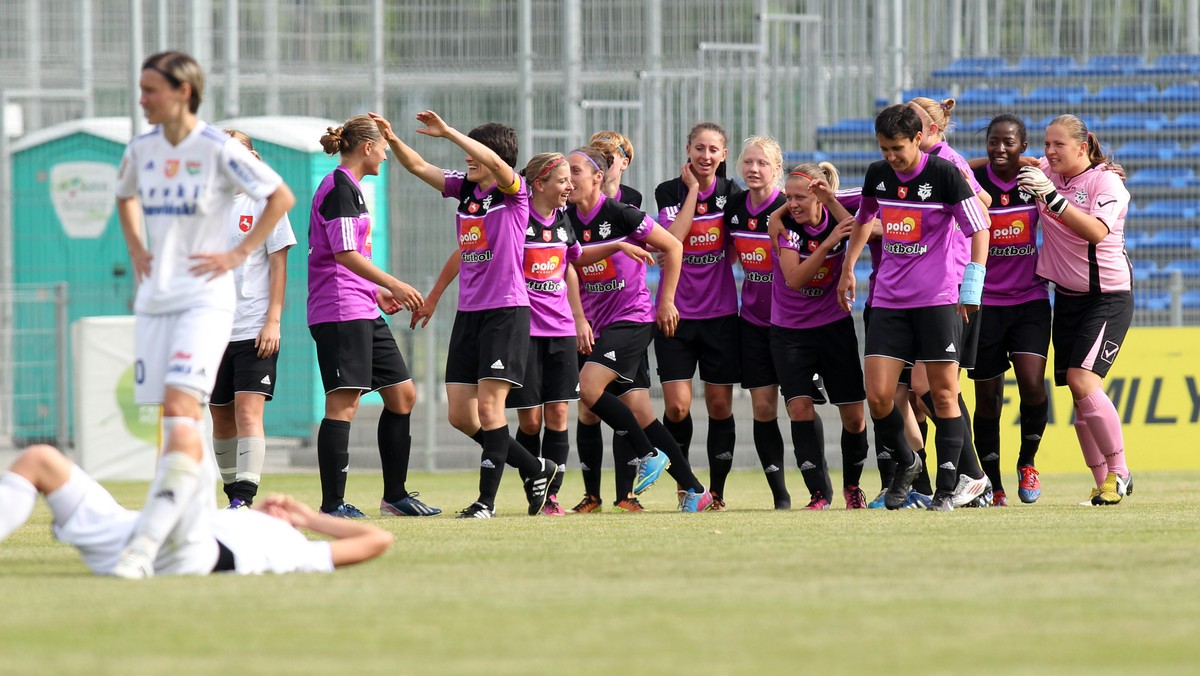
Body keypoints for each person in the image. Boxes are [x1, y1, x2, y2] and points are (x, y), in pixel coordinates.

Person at [115, 50, 295, 554]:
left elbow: (280, 197)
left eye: (151, 89)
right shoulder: (142, 148)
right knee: (177, 412)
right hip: (156, 302)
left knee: (188, 405)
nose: (142, 99)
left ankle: (160, 533)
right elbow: (125, 194)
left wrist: (238, 251)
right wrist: (137, 248)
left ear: (183, 92)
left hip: (208, 306)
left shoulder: (216, 148)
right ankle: (193, 513)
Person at [373, 111, 558, 518]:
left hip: (505, 312)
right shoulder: (467, 192)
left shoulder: (516, 192)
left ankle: (485, 503)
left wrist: (450, 133)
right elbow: (419, 166)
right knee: (460, 414)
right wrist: (393, 138)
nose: (467, 160)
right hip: (470, 313)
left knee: (491, 408)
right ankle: (535, 467)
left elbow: (494, 165)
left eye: (475, 153)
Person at [411, 152, 583, 516]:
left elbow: (570, 265)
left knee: (546, 413)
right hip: (499, 319)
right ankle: (535, 467)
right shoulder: (500, 206)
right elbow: (465, 251)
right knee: (475, 415)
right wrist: (435, 297)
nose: (571, 186)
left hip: (532, 323)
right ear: (540, 183)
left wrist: (580, 316)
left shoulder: (547, 214)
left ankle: (494, 502)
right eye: (563, 179)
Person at [838, 104, 991, 511]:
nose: (890, 157)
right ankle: (907, 463)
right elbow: (862, 221)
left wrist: (972, 285)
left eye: (897, 148)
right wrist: (848, 268)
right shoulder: (878, 174)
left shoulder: (944, 174)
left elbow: (981, 226)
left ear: (918, 138)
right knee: (879, 396)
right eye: (884, 148)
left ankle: (946, 485)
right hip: (888, 300)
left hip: (937, 300)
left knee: (941, 395)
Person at [0, 429, 392, 578]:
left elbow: (377, 540)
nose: (278, 504)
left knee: (187, 438)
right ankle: (139, 547)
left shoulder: (295, 549)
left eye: (284, 509)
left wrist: (307, 517)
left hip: (190, 552)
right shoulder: (232, 516)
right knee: (40, 459)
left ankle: (142, 550)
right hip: (125, 531)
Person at [567, 145, 714, 512]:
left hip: (631, 320)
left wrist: (666, 301)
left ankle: (648, 455)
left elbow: (673, 246)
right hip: (598, 326)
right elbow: (571, 262)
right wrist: (580, 318)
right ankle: (696, 490)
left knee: (588, 387)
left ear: (598, 178)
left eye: (576, 171)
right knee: (641, 413)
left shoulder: (622, 213)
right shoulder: (567, 218)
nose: (569, 179)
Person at [307, 114, 440, 519]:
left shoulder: (354, 189)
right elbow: (344, 255)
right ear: (367, 147)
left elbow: (349, 255)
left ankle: (395, 496)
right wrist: (395, 284)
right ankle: (333, 506)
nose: (386, 154)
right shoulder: (340, 188)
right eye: (383, 147)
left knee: (402, 395)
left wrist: (377, 290)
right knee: (344, 403)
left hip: (360, 304)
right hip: (339, 309)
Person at [1016, 115, 1134, 506]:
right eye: (1046, 144)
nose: (1049, 151)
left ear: (1082, 147)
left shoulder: (1106, 182)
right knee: (1077, 393)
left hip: (1108, 297)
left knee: (1084, 382)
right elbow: (1007, 160)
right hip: (1066, 297)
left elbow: (1096, 231)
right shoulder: (1048, 171)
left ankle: (1120, 474)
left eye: (1058, 144)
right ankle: (1103, 484)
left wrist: (1052, 197)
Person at [905, 96, 993, 508]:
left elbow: (984, 207)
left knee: (933, 387)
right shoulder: (919, 165)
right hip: (930, 289)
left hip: (951, 286)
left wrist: (970, 281)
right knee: (936, 388)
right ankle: (973, 478)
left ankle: (971, 475)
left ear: (933, 130)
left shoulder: (946, 162)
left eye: (915, 122)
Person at [767, 162, 870, 510]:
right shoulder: (784, 229)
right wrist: (827, 244)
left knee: (854, 416)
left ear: (820, 196)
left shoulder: (839, 215)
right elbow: (795, 279)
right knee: (799, 408)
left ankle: (852, 487)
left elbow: (860, 226)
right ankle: (818, 494)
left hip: (834, 327)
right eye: (788, 198)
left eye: (801, 197)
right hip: (790, 331)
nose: (793, 204)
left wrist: (830, 204)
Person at [653, 122, 744, 506]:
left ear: (723, 155)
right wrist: (692, 191)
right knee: (676, 405)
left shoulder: (733, 193)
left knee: (720, 405)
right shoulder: (668, 191)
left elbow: (738, 245)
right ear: (688, 150)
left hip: (721, 316)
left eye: (713, 150)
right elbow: (673, 240)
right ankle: (686, 485)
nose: (705, 156)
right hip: (675, 313)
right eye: (699, 148)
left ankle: (718, 491)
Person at [209, 129, 297, 510]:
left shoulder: (266, 204)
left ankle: (244, 499)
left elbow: (279, 265)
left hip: (252, 327)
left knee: (248, 411)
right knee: (221, 419)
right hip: (211, 331)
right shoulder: (204, 206)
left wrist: (272, 320)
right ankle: (232, 496)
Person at [968, 114, 1050, 506]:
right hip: (985, 305)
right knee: (987, 399)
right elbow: (949, 168)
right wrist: (989, 164)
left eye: (1009, 143)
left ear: (1024, 145)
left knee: (1033, 383)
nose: (1000, 149)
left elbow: (1074, 172)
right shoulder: (974, 182)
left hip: (1030, 300)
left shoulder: (1034, 182)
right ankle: (993, 484)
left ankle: (1028, 462)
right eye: (993, 142)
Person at [571, 131, 643, 513]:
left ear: (621, 163)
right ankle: (592, 494)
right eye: (598, 155)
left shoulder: (629, 204)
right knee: (588, 406)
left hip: (626, 314)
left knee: (621, 401)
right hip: (590, 316)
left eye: (610, 156)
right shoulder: (571, 207)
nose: (606, 160)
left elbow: (664, 244)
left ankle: (625, 492)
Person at [724, 136, 792, 509]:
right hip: (752, 322)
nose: (753, 169)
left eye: (762, 163)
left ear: (777, 169)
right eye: (748, 162)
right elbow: (728, 255)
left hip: (793, 324)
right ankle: (780, 495)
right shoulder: (734, 208)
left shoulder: (789, 206)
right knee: (763, 408)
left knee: (800, 406)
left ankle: (823, 489)